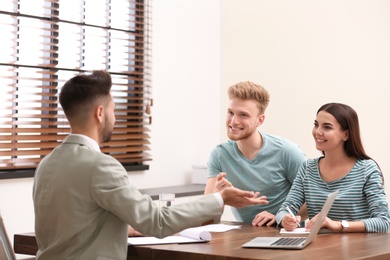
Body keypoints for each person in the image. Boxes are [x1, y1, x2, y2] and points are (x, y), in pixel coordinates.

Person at [32, 70, 269, 259]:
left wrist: (121, 227)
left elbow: (73, 225)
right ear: (100, 113)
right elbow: (157, 221)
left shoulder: (47, 164)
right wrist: (220, 199)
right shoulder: (100, 166)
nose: (115, 118)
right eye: (114, 110)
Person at [204, 81, 307, 226]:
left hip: (285, 236)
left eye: (243, 115)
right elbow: (206, 217)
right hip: (244, 237)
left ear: (260, 120)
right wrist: (218, 197)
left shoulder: (288, 152)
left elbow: (313, 198)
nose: (233, 121)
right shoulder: (220, 154)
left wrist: (280, 217)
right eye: (230, 112)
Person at [276, 102, 390, 233]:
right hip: (318, 249)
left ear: (346, 134)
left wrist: (340, 225)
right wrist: (285, 219)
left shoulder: (366, 169)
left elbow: (383, 221)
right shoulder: (308, 168)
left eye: (327, 127)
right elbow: (284, 210)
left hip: (356, 250)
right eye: (316, 125)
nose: (318, 132)